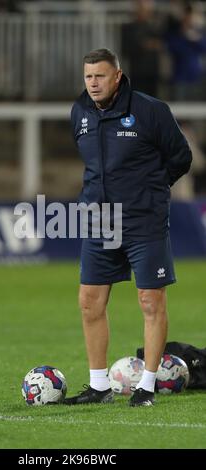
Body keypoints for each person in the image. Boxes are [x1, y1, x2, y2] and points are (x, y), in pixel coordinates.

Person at [64, 48, 192, 407]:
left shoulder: (151, 111)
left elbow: (181, 156)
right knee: (89, 302)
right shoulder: (80, 113)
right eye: (88, 76)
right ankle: (99, 386)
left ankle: (147, 386)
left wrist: (150, 189)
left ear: (117, 76)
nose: (92, 83)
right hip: (99, 220)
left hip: (143, 220)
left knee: (150, 300)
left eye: (100, 76)